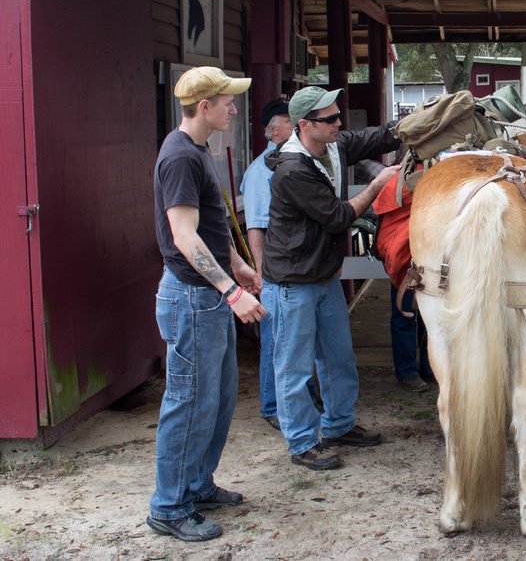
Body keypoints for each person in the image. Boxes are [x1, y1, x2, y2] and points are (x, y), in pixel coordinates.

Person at [148, 67, 265, 542]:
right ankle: (169, 505)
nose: (233, 109)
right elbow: (184, 237)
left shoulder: (198, 150)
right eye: (227, 102)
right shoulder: (180, 157)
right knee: (189, 402)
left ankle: (196, 485)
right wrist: (232, 291)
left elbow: (212, 229)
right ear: (204, 107)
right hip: (193, 299)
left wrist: (236, 264)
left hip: (207, 297)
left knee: (215, 400)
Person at [264, 85, 401, 471]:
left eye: (338, 115)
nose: (340, 122)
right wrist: (377, 185)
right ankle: (303, 442)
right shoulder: (292, 169)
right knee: (294, 368)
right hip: (293, 283)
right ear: (305, 125)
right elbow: (339, 216)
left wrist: (417, 122)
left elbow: (374, 136)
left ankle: (339, 425)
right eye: (331, 119)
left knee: (339, 358)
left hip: (323, 277)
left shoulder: (332, 145)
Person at [241, 98, 294, 431]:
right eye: (290, 121)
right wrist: (261, 275)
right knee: (275, 339)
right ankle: (272, 405)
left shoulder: (296, 162)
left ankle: (294, 398)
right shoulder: (261, 172)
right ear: (272, 130)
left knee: (296, 339)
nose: (296, 125)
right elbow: (256, 228)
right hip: (273, 271)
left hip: (293, 268)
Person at [391, 285, 435, 392]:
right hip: (405, 269)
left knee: (431, 315)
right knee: (405, 314)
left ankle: (430, 366)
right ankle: (407, 370)